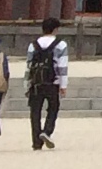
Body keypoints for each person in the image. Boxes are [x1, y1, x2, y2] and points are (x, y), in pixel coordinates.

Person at [25, 17, 72, 149]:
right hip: (53, 81)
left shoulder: (33, 44)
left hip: (36, 82)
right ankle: (47, 131)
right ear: (56, 29)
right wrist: (63, 85)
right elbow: (63, 66)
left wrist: (27, 83)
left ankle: (36, 142)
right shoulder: (61, 44)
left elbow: (29, 65)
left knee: (35, 112)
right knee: (53, 108)